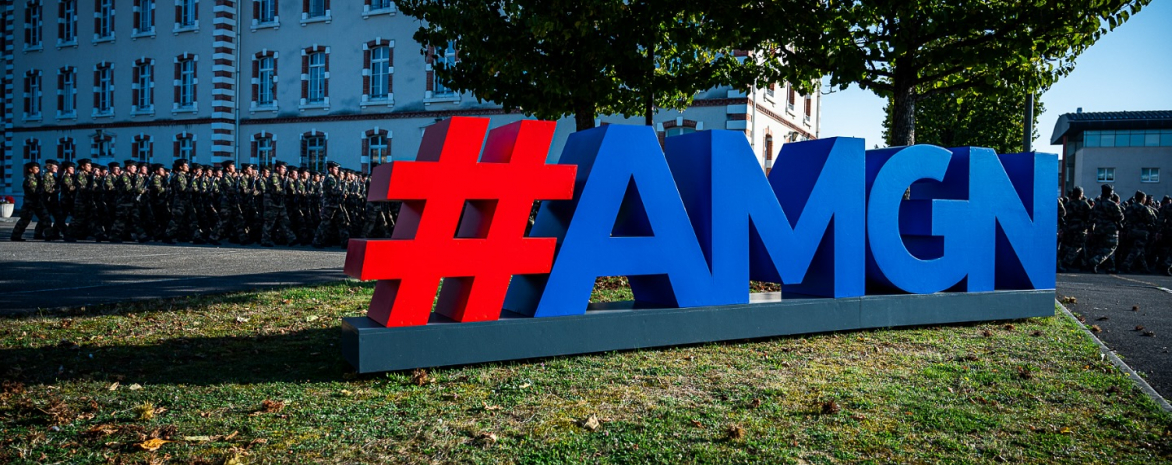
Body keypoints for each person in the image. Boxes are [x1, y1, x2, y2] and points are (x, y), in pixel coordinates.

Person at [1086, 184, 1125, 274]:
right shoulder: (1112, 204)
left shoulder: (1097, 204)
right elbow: (1120, 217)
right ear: (1110, 193)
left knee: (1101, 248)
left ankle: (1110, 267)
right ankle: (1095, 261)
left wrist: (1091, 229)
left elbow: (1091, 217)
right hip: (1110, 230)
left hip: (1099, 229)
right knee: (1111, 247)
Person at [9, 162, 50, 242]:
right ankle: (15, 235)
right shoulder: (30, 179)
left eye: (38, 168)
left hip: (37, 202)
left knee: (45, 218)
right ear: (30, 170)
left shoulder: (36, 178)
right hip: (30, 203)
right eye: (36, 169)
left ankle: (48, 235)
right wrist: (43, 188)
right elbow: (34, 191)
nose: (38, 170)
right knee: (25, 220)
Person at [313, 161, 350, 248]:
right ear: (330, 169)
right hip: (330, 205)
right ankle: (317, 241)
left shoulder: (335, 178)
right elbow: (333, 191)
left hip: (336, 204)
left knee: (341, 223)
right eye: (336, 168)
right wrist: (341, 193)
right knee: (325, 224)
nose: (337, 170)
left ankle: (345, 242)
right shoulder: (329, 178)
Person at [261, 161, 299, 247]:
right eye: (283, 168)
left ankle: (291, 238)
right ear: (277, 168)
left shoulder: (283, 177)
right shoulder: (274, 176)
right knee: (269, 222)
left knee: (285, 221)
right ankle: (265, 240)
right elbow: (277, 189)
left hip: (280, 203)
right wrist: (286, 191)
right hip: (272, 203)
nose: (285, 170)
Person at [1121, 191, 1158, 273]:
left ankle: (1144, 268)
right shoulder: (1144, 208)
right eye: (1145, 198)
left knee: (1140, 251)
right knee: (1137, 250)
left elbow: (1124, 219)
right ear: (1142, 198)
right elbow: (1151, 220)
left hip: (1130, 231)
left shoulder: (1129, 208)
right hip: (1141, 232)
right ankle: (1126, 264)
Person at [1058, 187, 1092, 272]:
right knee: (1077, 247)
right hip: (1080, 229)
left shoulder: (1068, 205)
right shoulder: (1084, 204)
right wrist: (1089, 228)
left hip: (1069, 228)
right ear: (1081, 194)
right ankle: (1065, 263)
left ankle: (1082, 264)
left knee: (1068, 246)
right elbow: (1090, 217)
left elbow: (1064, 216)